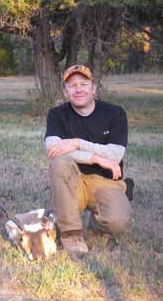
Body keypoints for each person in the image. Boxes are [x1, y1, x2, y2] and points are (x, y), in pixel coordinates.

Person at [45, 64, 133, 254]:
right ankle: (71, 235)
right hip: (72, 182)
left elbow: (115, 155)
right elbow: (53, 150)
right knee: (60, 162)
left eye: (84, 84)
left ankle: (97, 230)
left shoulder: (115, 113)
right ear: (65, 91)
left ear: (94, 88)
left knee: (117, 222)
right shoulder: (56, 115)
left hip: (105, 181)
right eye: (72, 85)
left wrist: (77, 143)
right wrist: (95, 158)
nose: (78, 89)